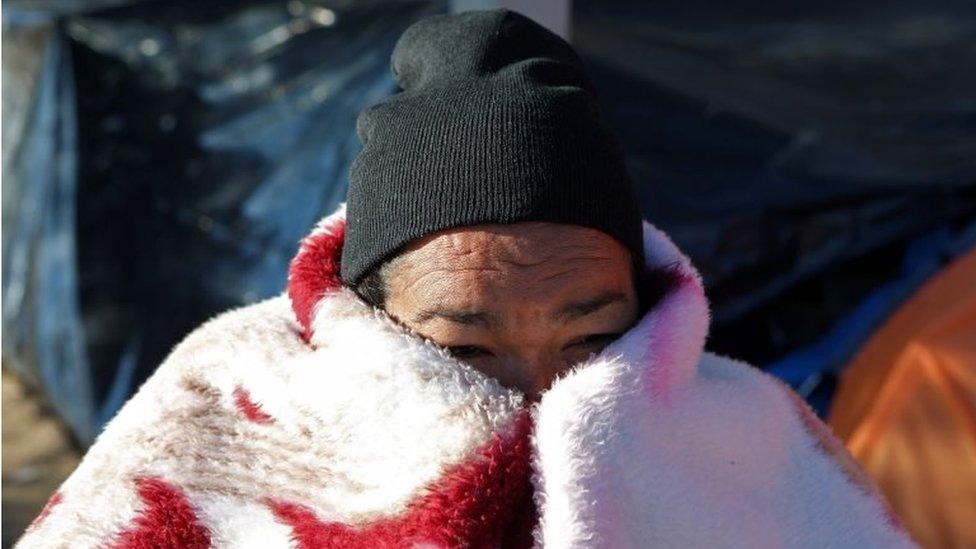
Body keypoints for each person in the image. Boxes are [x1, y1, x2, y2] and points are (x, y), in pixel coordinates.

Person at [15, 9, 914, 548]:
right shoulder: (219, 421)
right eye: (465, 345)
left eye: (593, 338)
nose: (536, 395)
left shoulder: (754, 442)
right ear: (366, 316)